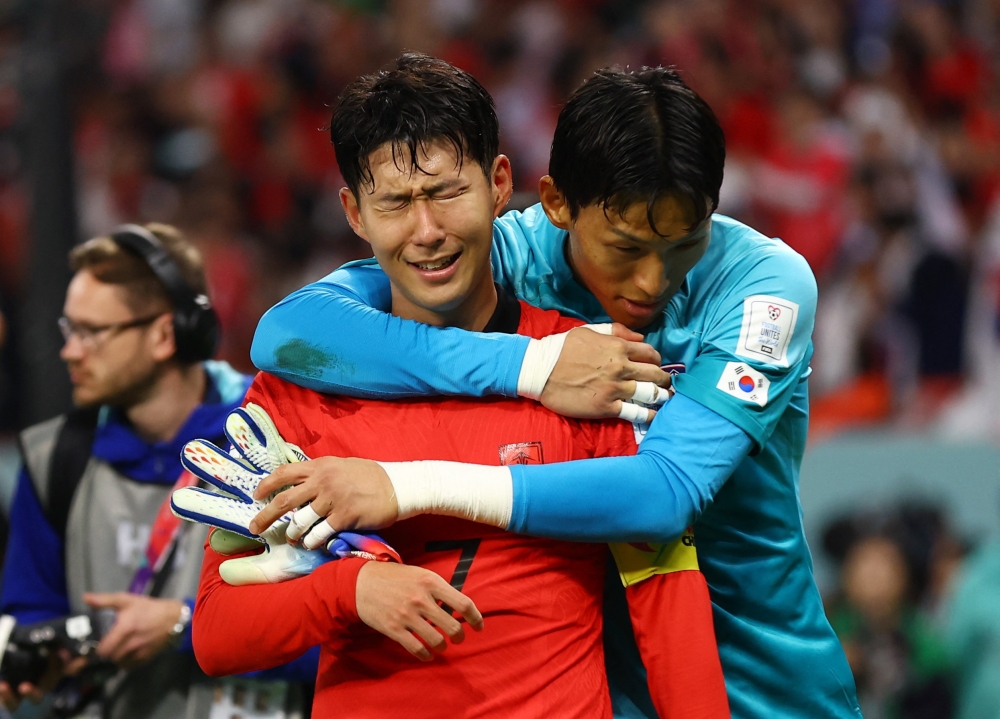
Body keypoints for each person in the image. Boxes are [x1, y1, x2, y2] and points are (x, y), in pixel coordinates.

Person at [248, 64, 862, 719]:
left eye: (685, 242)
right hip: (600, 690)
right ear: (556, 204)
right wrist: (531, 365)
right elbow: (287, 333)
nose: (654, 280)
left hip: (766, 687)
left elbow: (664, 492)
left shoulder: (763, 288)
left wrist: (405, 486)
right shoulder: (506, 252)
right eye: (624, 248)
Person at [0, 224, 310, 718]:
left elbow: (331, 634)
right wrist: (34, 656)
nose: (70, 351)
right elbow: (31, 608)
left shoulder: (278, 436)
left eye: (91, 333)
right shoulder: (53, 456)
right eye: (68, 329)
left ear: (166, 333)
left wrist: (184, 628)